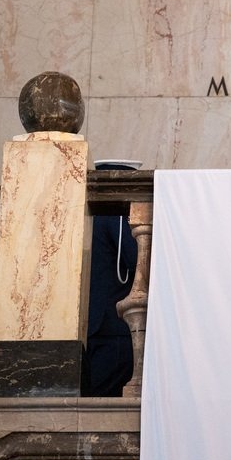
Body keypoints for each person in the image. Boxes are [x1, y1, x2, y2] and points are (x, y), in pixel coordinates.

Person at [81, 160, 140, 397]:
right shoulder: (117, 213)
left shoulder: (87, 216)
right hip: (114, 328)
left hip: (91, 328)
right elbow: (137, 259)